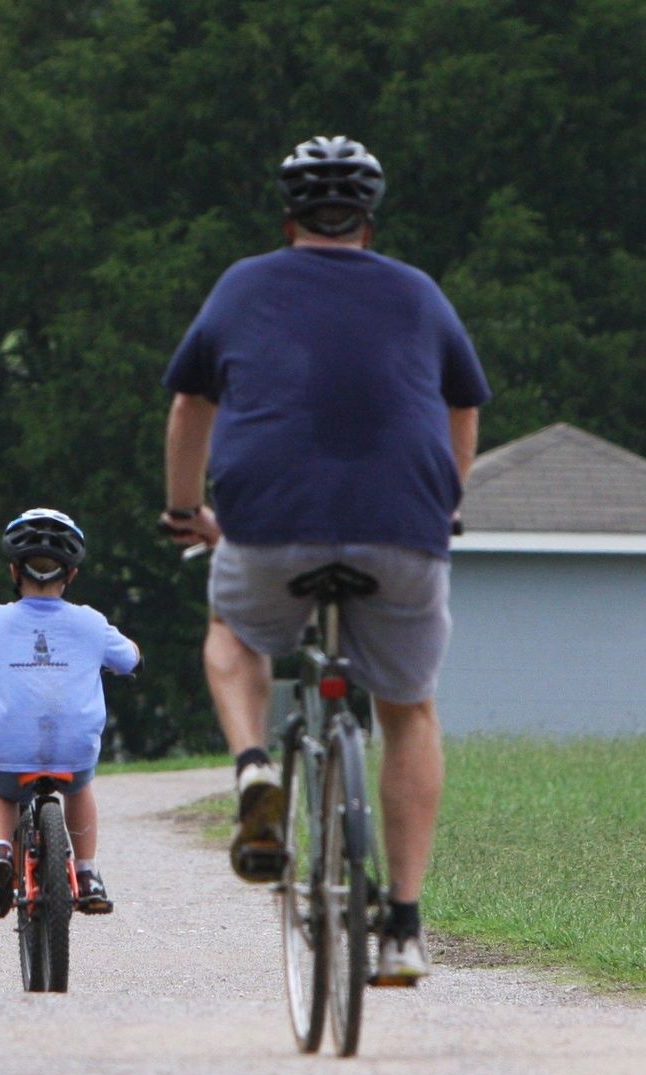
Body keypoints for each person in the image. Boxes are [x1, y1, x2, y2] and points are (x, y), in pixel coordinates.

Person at [159, 135, 490, 982]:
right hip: (404, 529)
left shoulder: (242, 285)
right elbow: (462, 404)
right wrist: (445, 503)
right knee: (409, 709)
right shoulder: (418, 294)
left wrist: (184, 509)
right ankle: (406, 925)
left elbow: (191, 401)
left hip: (269, 527)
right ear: (370, 223)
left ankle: (254, 769)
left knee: (231, 631)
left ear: (288, 218)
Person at [0, 509, 142, 917]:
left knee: (0, 791)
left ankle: (0, 851)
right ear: (72, 575)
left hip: (12, 749)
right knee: (78, 787)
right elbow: (129, 660)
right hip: (73, 751)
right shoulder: (91, 623)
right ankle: (88, 871)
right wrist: (132, 658)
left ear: (13, 570)